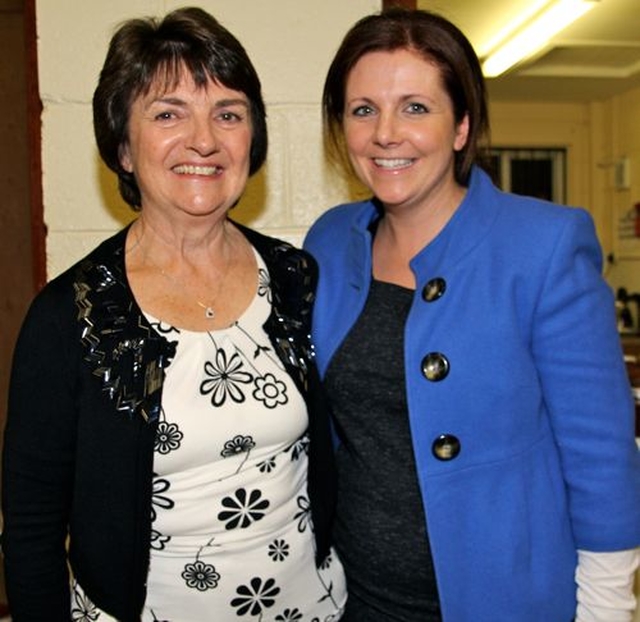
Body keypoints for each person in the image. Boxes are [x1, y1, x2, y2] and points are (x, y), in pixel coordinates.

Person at [2, 7, 346, 621]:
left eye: (229, 114)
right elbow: (31, 531)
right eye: (168, 114)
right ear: (124, 148)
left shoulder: (299, 282)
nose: (205, 140)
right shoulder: (66, 319)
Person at [304, 8, 640, 622]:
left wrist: (606, 604)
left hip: (506, 600)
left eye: (415, 107)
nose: (386, 133)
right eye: (363, 110)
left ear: (461, 126)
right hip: (355, 600)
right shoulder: (328, 242)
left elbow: (600, 452)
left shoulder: (543, 244)